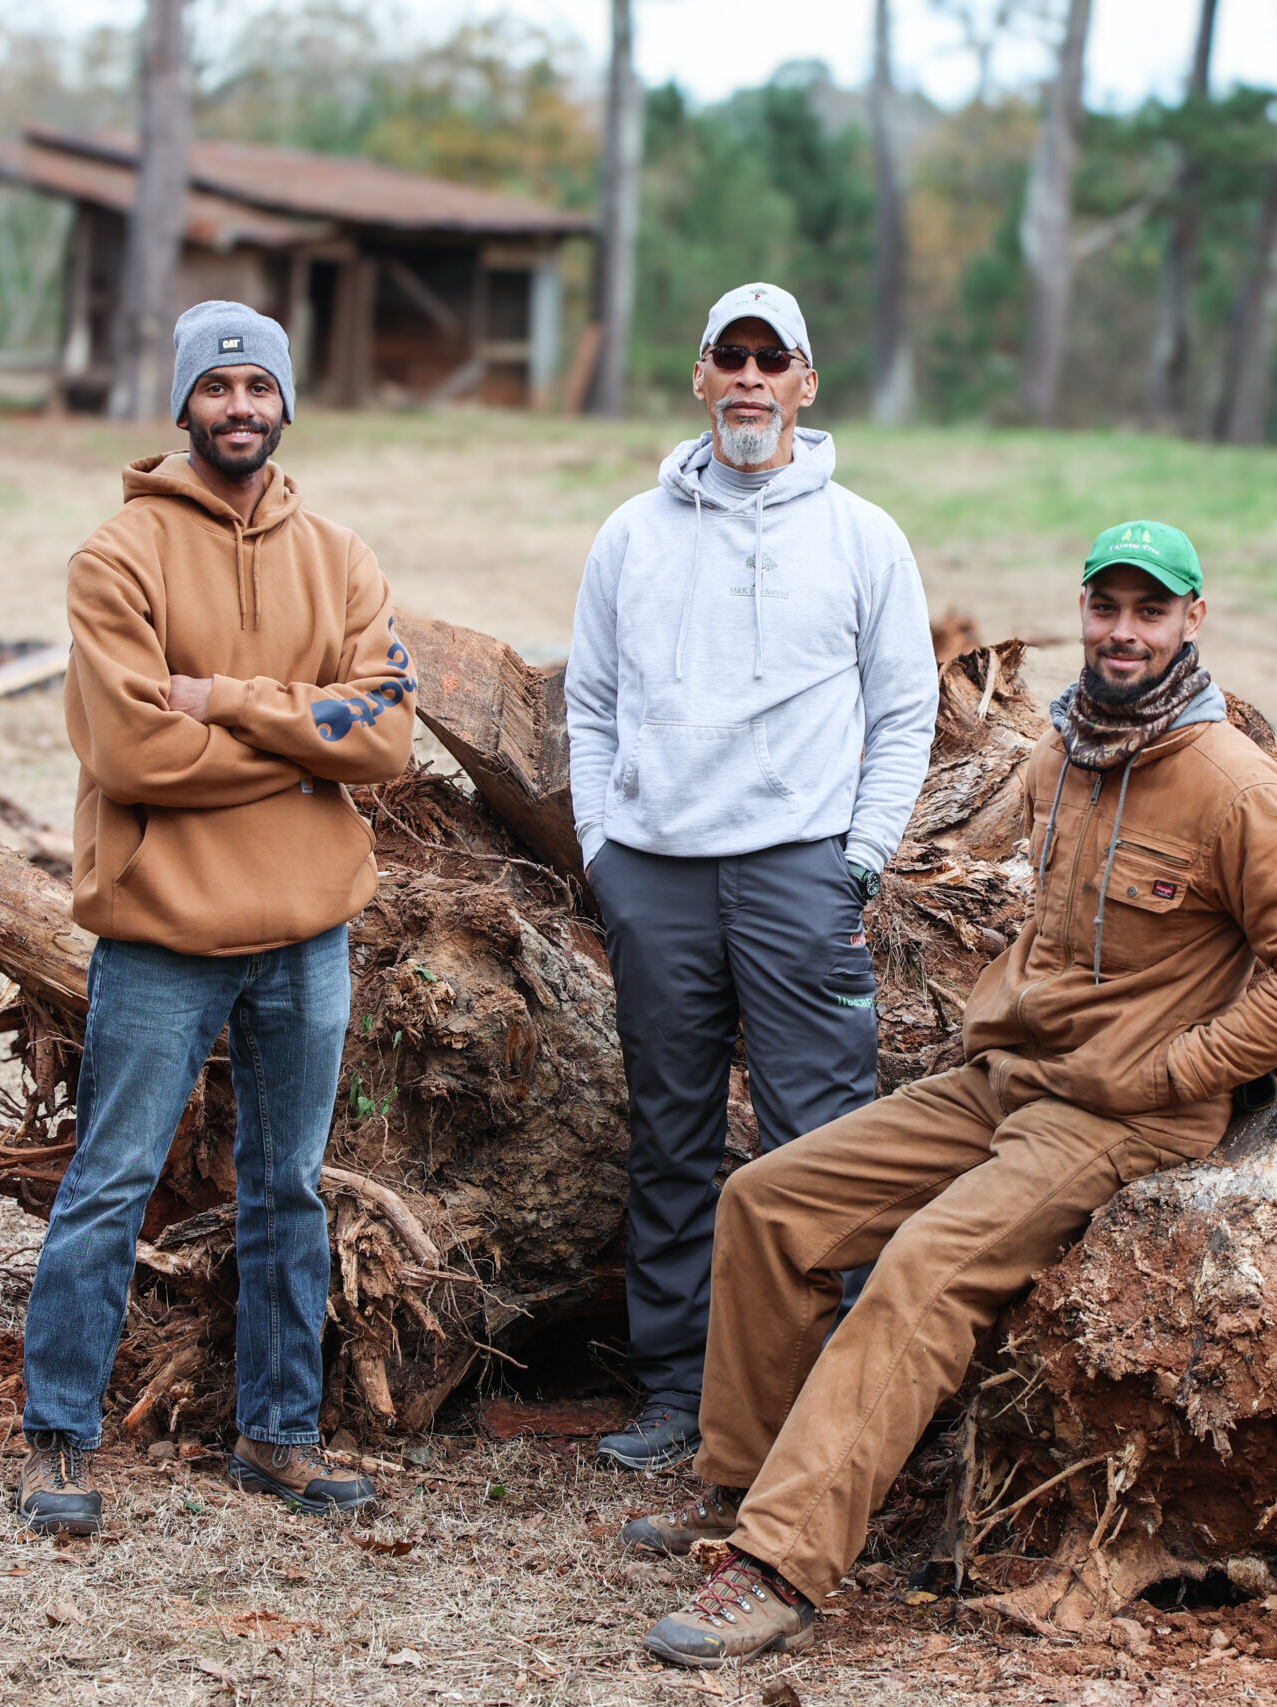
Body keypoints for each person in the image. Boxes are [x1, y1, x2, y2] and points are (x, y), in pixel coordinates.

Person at [619, 520, 1277, 1667]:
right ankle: (746, 1494)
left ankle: (778, 1567)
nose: (1122, 632)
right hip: (1006, 1080)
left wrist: (1178, 1070)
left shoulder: (1229, 785)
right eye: (1105, 607)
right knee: (770, 1200)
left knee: (926, 1267)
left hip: (1118, 1115)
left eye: (1149, 612)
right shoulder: (1067, 749)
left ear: (1191, 622)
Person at [13, 300, 417, 1536]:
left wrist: (227, 700)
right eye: (216, 386)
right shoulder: (118, 555)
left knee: (288, 1186)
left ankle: (279, 1436)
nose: (238, 405)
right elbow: (134, 752)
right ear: (183, 403)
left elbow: (388, 736)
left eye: (258, 386)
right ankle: (58, 1442)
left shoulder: (340, 556)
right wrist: (302, 745)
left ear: (285, 402)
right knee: (113, 1176)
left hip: (307, 931)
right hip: (162, 934)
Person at [567, 282, 937, 1473]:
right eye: (729, 356)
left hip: (797, 879)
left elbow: (905, 710)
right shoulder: (633, 533)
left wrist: (859, 862)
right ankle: (677, 1392)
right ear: (699, 375)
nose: (749, 379)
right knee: (670, 1138)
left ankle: (828, 1402)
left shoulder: (862, 536)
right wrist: (602, 851)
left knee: (821, 1143)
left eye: (771, 360)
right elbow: (590, 704)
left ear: (806, 383)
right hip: (658, 878)